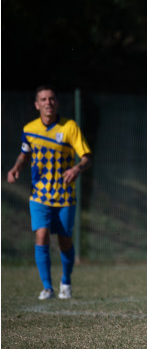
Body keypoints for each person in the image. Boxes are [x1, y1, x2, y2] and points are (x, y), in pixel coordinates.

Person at [7, 85, 92, 300]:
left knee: (64, 240)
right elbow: (25, 154)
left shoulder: (70, 127)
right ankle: (47, 287)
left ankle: (66, 282)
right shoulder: (29, 129)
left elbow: (86, 158)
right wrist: (17, 167)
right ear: (37, 105)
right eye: (43, 99)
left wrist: (76, 168)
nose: (48, 103)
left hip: (64, 195)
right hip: (40, 195)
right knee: (42, 235)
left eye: (52, 98)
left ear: (57, 102)